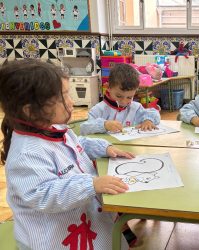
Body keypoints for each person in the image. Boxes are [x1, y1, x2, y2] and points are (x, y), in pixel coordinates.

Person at [0, 59, 136, 249]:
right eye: (63, 97)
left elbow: (76, 144)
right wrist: (92, 184)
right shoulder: (26, 154)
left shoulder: (55, 127)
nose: (72, 102)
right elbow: (44, 194)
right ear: (30, 111)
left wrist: (104, 148)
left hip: (84, 224)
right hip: (54, 239)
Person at [80, 63, 160, 135]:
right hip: (109, 149)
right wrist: (104, 125)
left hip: (130, 148)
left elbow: (153, 114)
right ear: (108, 88)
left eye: (129, 97)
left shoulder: (135, 108)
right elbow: (84, 128)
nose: (123, 101)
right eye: (119, 96)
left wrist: (148, 121)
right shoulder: (98, 109)